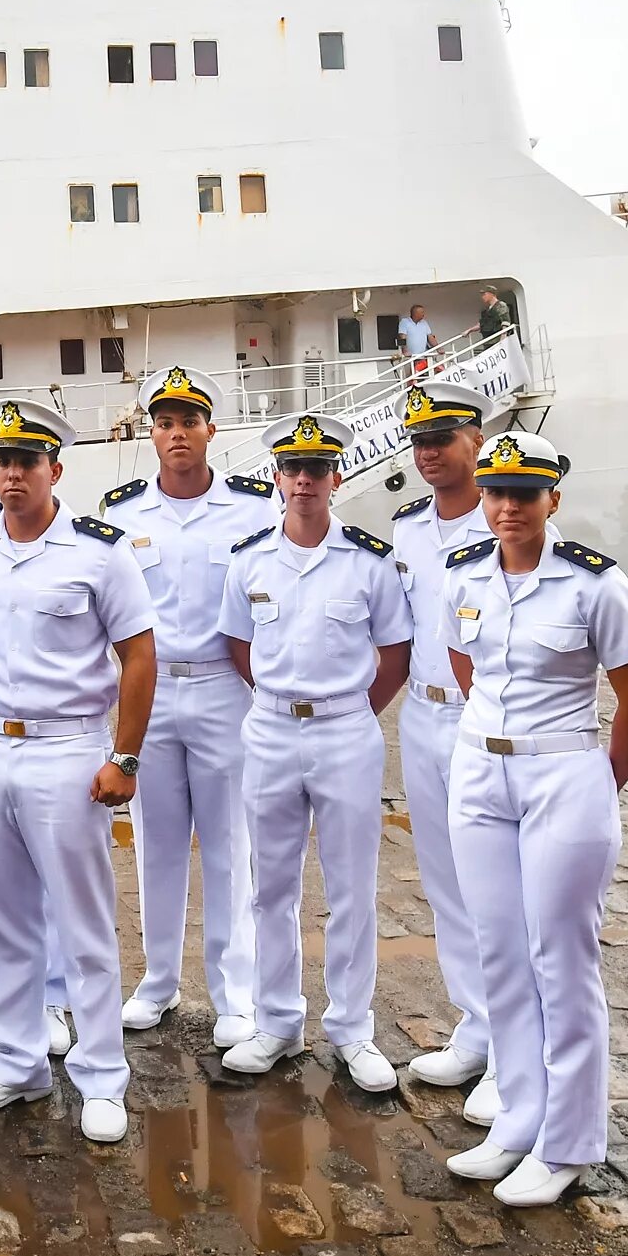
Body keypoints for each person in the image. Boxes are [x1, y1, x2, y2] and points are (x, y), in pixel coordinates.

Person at [440, 432, 628, 1207]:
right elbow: (468, 666)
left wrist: (601, 783)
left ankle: (567, 1143)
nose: (507, 508)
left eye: (524, 494)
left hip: (564, 772)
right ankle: (516, 1122)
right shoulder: (464, 577)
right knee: (499, 952)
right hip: (479, 770)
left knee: (560, 962)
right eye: (496, 492)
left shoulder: (595, 585)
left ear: (552, 500)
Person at [0, 400, 153, 1146]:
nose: (11, 474)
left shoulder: (100, 550)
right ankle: (18, 1060)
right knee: (2, 920)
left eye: (27, 462)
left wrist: (123, 757)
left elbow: (139, 654)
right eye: (1, 461)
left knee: (83, 921)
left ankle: (101, 1074)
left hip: (68, 748)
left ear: (54, 469)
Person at [217, 414, 413, 1094]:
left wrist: (353, 709)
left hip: (345, 732)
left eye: (317, 470)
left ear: (336, 478)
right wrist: (280, 700)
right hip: (269, 730)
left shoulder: (370, 561)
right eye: (292, 469)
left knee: (352, 886)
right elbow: (238, 646)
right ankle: (276, 1022)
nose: (304, 481)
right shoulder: (248, 560)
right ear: (276, 477)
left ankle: (352, 1028)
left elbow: (395, 653)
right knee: (270, 884)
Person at [95, 366, 274, 1046]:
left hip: (225, 689)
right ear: (152, 432)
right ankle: (159, 981)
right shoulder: (121, 513)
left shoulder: (254, 508)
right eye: (164, 422)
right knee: (156, 843)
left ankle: (235, 995)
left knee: (231, 844)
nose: (176, 434)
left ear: (210, 430)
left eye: (188, 421)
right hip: (151, 692)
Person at [386, 385, 501, 1103]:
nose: (429, 452)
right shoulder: (406, 530)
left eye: (444, 437)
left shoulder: (505, 520)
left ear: (477, 440)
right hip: (423, 718)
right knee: (446, 886)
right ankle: (477, 1028)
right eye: (419, 441)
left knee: (497, 887)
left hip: (484, 720)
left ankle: (518, 1053)